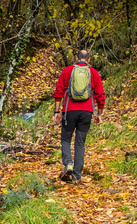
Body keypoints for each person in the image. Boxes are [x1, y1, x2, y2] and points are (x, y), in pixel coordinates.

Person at [53, 50, 106, 183]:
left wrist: (57, 112)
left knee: (65, 138)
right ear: (88, 60)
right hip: (86, 112)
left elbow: (58, 91)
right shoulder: (93, 73)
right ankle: (76, 176)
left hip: (69, 110)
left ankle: (68, 163)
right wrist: (99, 114)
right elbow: (101, 95)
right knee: (80, 143)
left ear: (76, 58)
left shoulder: (67, 71)